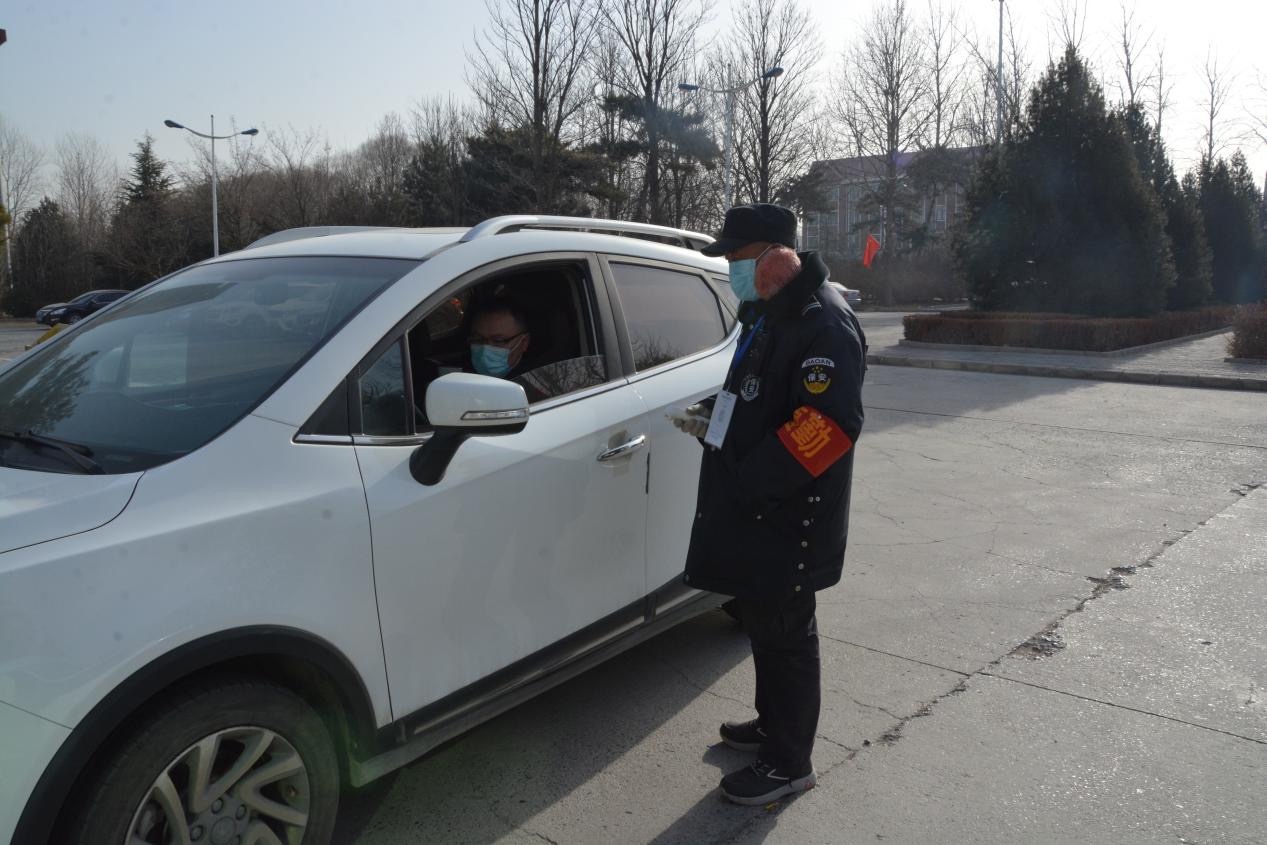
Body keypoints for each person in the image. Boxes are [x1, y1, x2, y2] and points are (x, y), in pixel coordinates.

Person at [672, 202, 867, 806]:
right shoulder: (770, 311)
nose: (729, 268)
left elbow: (828, 426)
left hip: (789, 513)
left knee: (786, 634)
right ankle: (771, 725)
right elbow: (759, 396)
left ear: (774, 256)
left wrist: (751, 478)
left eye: (735, 257)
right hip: (759, 507)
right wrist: (713, 418)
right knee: (761, 621)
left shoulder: (822, 322)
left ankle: (789, 763)